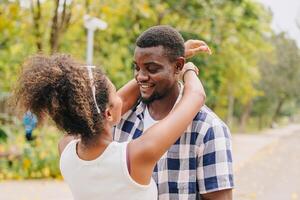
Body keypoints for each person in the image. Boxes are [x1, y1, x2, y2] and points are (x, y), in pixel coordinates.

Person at [14, 53, 205, 200]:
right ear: (109, 113)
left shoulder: (65, 149)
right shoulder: (135, 156)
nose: (120, 97)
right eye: (115, 93)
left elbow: (99, 109)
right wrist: (187, 69)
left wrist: (167, 61)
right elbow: (195, 96)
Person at [114, 25, 234, 200]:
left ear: (178, 66)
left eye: (152, 68)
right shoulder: (122, 119)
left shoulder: (208, 129)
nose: (140, 76)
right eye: (137, 68)